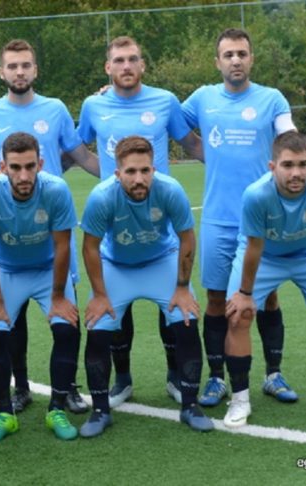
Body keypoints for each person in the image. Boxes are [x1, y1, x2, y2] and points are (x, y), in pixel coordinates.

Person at [0, 38, 99, 415]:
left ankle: (68, 388)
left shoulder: (55, 109)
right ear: (2, 72)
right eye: (12, 66)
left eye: (26, 65)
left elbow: (79, 155)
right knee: (13, 321)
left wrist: (121, 178)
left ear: (35, 69)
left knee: (66, 313)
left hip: (50, 225)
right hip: (11, 229)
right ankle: (21, 387)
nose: (19, 71)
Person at [77, 36, 203, 409]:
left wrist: (231, 165)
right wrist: (106, 177)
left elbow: (192, 143)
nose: (126, 66)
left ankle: (175, 377)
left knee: (174, 311)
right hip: (115, 219)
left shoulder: (165, 101)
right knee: (117, 312)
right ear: (108, 68)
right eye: (119, 60)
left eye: (133, 59)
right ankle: (123, 380)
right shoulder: (93, 105)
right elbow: (76, 149)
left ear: (143, 65)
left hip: (158, 220)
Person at [182, 28, 298, 407]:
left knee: (267, 296)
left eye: (242, 54)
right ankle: (217, 378)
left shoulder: (271, 99)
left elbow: (289, 140)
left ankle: (273, 374)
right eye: (228, 54)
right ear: (217, 61)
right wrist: (205, 153)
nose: (236, 60)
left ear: (251, 59)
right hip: (218, 218)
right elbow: (171, 125)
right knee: (217, 299)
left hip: (262, 220)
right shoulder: (202, 98)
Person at [80, 136, 213, 437]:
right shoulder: (102, 197)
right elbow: (90, 247)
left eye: (145, 171)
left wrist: (182, 287)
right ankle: (100, 410)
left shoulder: (170, 190)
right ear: (118, 173)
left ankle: (190, 405)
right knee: (98, 328)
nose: (138, 179)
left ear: (154, 169)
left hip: (160, 261)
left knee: (187, 320)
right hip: (117, 265)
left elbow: (187, 238)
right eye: (130, 172)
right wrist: (99, 295)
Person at [222, 131, 306, 427]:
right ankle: (240, 400)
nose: (296, 173)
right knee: (239, 316)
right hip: (265, 256)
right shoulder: (257, 194)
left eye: (302, 164)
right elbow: (254, 247)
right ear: (273, 167)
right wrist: (245, 294)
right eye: (287, 165)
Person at [0, 132, 81, 443]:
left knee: (67, 329)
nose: (23, 175)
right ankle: (5, 414)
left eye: (30, 167)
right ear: (2, 167)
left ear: (40, 164)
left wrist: (58, 296)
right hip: (8, 271)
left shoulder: (56, 190)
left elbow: (62, 246)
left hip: (47, 270)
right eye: (15, 167)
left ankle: (57, 408)